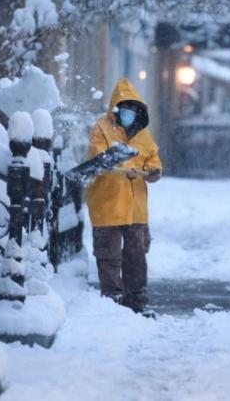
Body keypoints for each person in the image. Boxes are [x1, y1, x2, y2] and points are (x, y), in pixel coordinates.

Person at [86, 78, 162, 314]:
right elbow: (98, 157)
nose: (129, 112)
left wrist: (153, 171)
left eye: (133, 108)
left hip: (134, 207)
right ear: (116, 108)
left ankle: (137, 300)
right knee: (108, 255)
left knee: (136, 256)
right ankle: (112, 301)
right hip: (107, 203)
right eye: (124, 107)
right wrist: (122, 166)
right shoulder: (102, 129)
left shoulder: (143, 135)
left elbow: (153, 159)